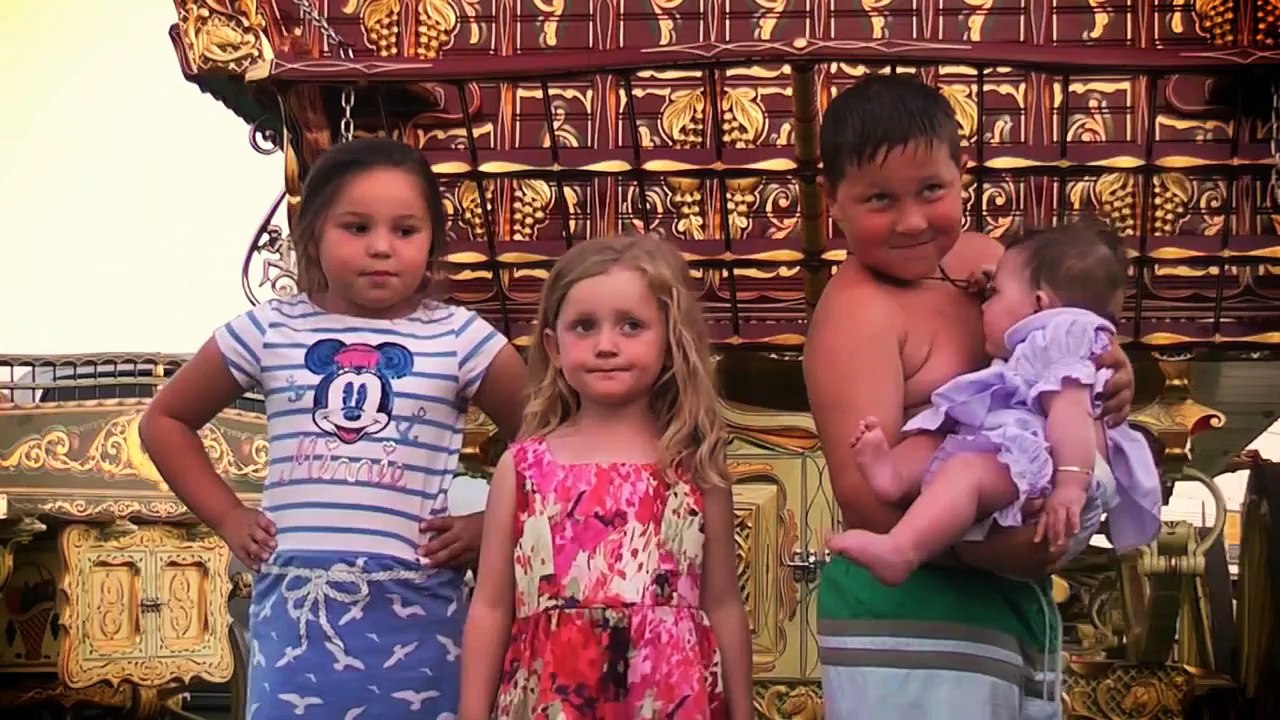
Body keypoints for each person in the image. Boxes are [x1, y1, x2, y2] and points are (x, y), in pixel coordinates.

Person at [140, 137, 528, 718]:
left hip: (420, 609)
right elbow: (165, 421)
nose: (381, 247)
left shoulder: (460, 337)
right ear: (313, 232)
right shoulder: (270, 329)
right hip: (297, 609)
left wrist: (487, 528)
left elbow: (552, 447)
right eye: (356, 227)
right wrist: (228, 516)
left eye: (405, 230)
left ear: (433, 242)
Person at [804, 74, 1136, 719]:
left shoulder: (996, 262)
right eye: (878, 199)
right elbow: (871, 501)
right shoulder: (857, 317)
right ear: (832, 201)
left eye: (932, 189)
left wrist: (1116, 375)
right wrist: (999, 550)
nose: (911, 221)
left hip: (1006, 609)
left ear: (964, 171)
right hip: (913, 619)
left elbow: (1069, 347)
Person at [456, 233, 753, 719]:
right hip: (551, 696)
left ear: (669, 338)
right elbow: (491, 605)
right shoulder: (525, 466)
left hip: (670, 696)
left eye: (631, 325)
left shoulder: (691, 465)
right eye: (584, 327)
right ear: (553, 346)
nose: (606, 345)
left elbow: (722, 603)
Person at [827, 220, 1162, 587]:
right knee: (936, 438)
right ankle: (894, 475)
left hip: (1054, 466)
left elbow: (1069, 414)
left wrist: (1069, 485)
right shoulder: (1045, 333)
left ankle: (902, 549)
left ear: (1039, 305)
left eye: (994, 293)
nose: (984, 302)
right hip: (1023, 448)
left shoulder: (1061, 341)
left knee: (966, 473)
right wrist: (1000, 285)